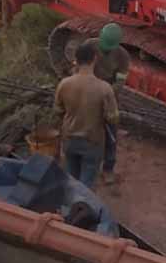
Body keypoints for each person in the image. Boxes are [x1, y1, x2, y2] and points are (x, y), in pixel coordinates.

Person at [54, 40, 119, 189]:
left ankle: (68, 209)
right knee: (86, 186)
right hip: (92, 142)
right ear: (94, 59)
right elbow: (113, 118)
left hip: (69, 139)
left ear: (76, 60)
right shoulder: (104, 88)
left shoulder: (64, 84)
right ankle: (81, 209)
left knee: (71, 180)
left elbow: (58, 111)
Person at [93, 22, 130, 183]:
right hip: (89, 92)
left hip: (110, 97)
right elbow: (78, 69)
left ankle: (108, 168)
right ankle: (87, 165)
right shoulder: (89, 46)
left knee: (111, 135)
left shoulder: (122, 56)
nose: (106, 49)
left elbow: (120, 82)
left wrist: (106, 93)